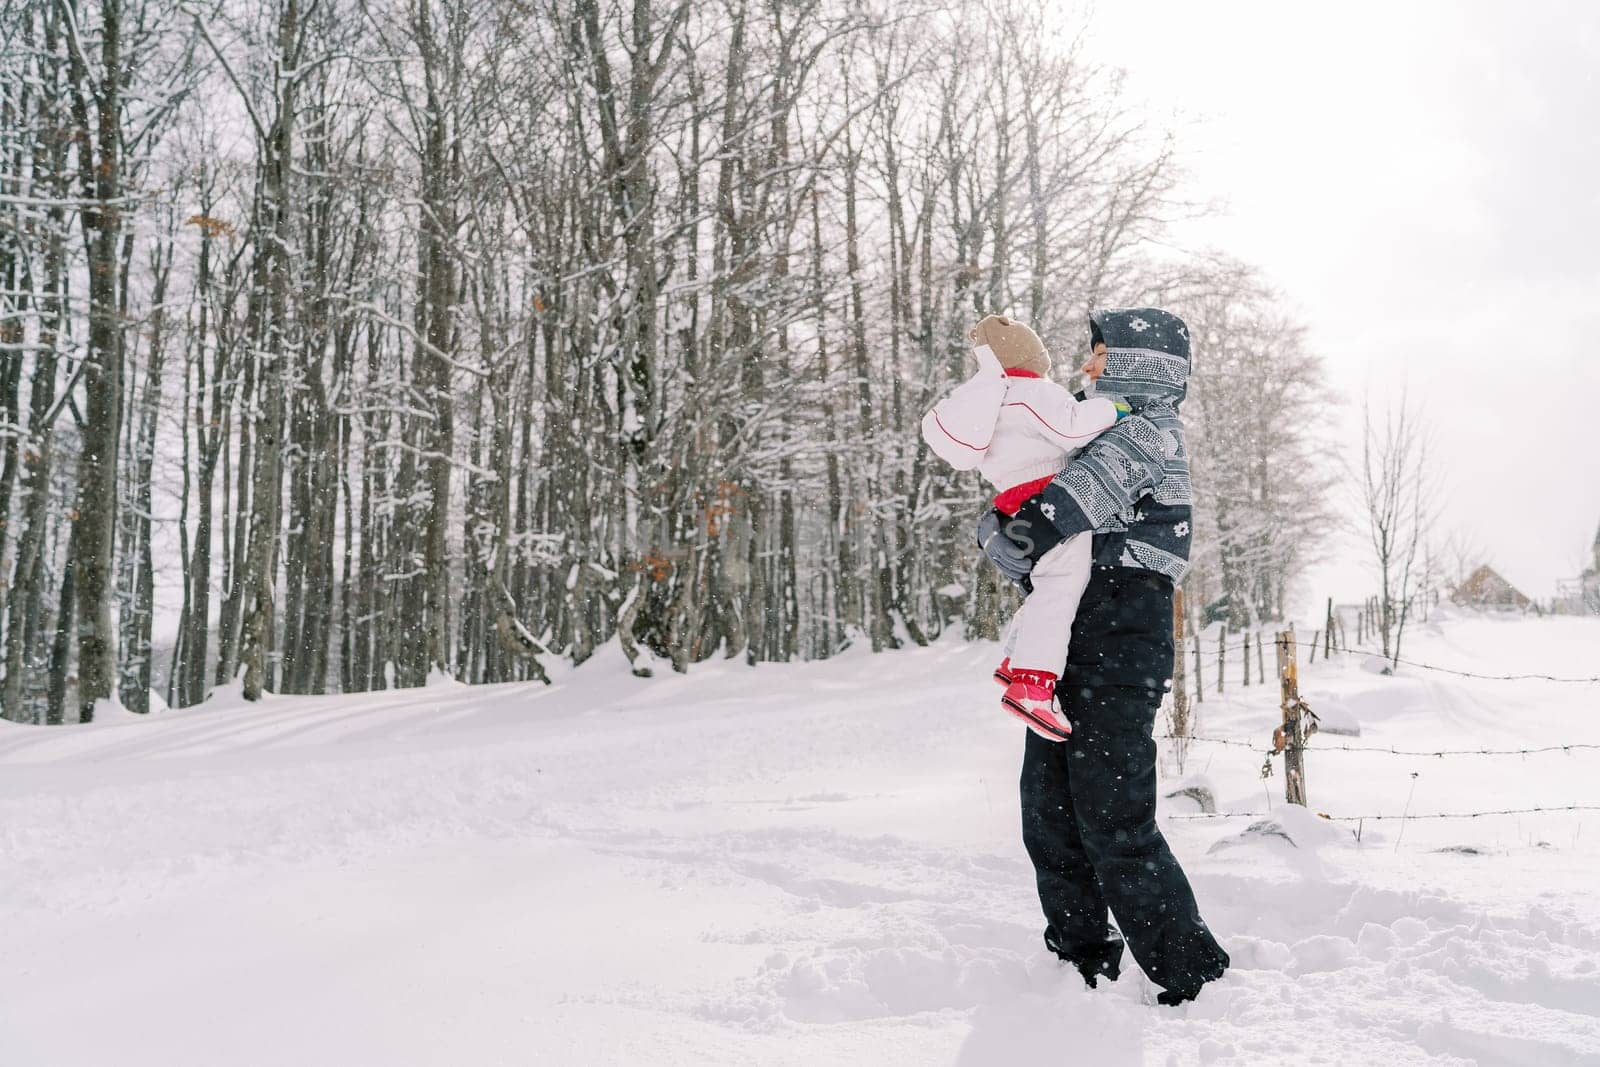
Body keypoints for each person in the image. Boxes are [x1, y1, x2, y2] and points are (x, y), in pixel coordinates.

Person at [976, 306, 1230, 1006]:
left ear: (1136, 364)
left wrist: (1026, 527)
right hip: (1070, 632)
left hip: (1123, 631)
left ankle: (1191, 972)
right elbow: (1043, 492)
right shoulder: (1089, 433)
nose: (1085, 366)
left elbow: (1085, 494)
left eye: (1098, 354)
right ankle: (1081, 953)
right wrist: (1002, 519)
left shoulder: (1148, 432)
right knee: (1048, 808)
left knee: (1112, 814)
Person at [921, 314, 1131, 739]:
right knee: (1059, 591)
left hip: (1014, 501)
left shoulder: (989, 401)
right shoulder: (1034, 392)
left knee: (1044, 586)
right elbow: (1070, 426)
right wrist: (1114, 408)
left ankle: (1016, 658)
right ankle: (1032, 685)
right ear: (1031, 354)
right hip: (1054, 497)